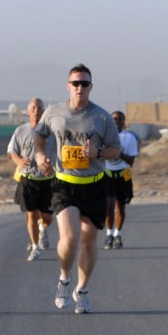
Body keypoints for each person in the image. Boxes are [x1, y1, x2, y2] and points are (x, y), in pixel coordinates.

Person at [33, 64, 121, 313]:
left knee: (89, 242)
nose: (80, 87)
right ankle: (64, 278)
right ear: (68, 86)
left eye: (85, 83)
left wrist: (99, 152)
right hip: (64, 184)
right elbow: (39, 136)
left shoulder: (102, 117)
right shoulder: (53, 112)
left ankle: (81, 290)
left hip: (94, 186)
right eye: (76, 83)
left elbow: (116, 150)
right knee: (69, 238)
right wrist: (40, 156)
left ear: (91, 86)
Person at [7, 98, 55, 260]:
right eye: (33, 107)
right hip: (28, 179)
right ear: (27, 111)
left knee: (47, 217)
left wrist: (52, 164)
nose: (36, 110)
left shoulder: (51, 132)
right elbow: (12, 152)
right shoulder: (20, 131)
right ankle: (35, 247)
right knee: (31, 214)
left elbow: (60, 153)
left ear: (43, 112)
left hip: (48, 180)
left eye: (40, 107)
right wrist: (19, 161)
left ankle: (43, 229)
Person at [104, 111, 139, 249]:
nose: (116, 121)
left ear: (124, 121)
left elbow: (131, 161)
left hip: (123, 174)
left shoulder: (129, 138)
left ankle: (118, 234)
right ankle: (108, 234)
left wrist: (119, 154)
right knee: (109, 206)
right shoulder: (104, 137)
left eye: (119, 119)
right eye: (114, 119)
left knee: (120, 206)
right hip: (107, 174)